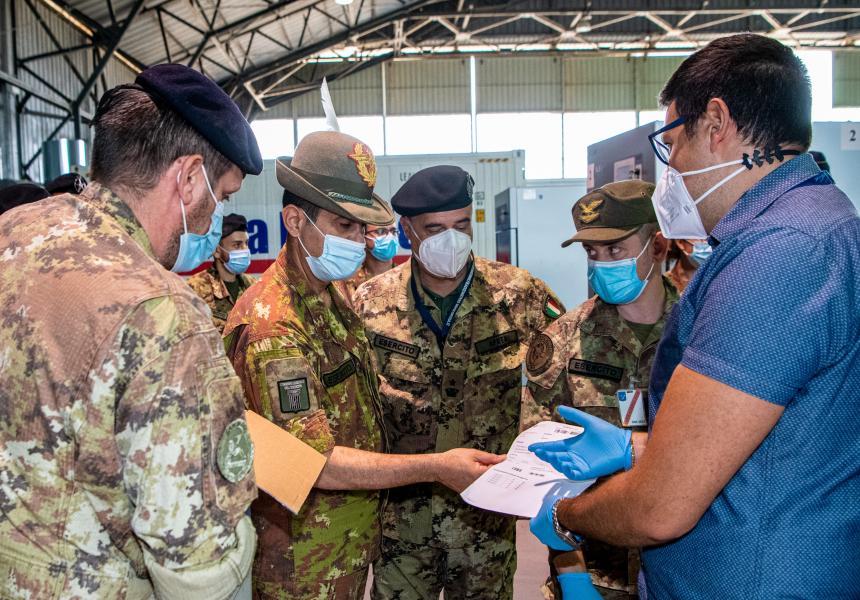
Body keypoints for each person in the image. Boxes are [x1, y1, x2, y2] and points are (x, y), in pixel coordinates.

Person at [528, 33, 859, 599]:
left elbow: (660, 509)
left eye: (671, 144)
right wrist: (637, 448)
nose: (672, 167)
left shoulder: (779, 252)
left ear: (716, 123)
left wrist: (567, 515)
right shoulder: (821, 224)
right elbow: (774, 436)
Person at [0, 64, 269, 599]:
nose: (219, 216)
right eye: (224, 194)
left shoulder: (12, 233)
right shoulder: (162, 311)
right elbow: (196, 565)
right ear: (189, 178)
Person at [223, 133, 502, 600]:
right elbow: (315, 462)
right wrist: (437, 467)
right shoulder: (275, 326)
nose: (357, 241)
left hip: (345, 543)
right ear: (295, 220)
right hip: (304, 560)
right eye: (343, 226)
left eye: (361, 228)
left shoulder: (329, 295)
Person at [353, 165, 566, 600]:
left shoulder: (518, 294)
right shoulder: (369, 304)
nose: (450, 239)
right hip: (402, 526)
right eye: (434, 228)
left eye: (461, 225)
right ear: (407, 230)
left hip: (486, 523)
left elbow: (567, 374)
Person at [524, 180, 678, 600]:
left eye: (616, 250)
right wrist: (571, 572)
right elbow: (543, 472)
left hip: (681, 570)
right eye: (592, 253)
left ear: (659, 246)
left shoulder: (700, 332)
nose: (602, 264)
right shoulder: (563, 342)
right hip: (595, 574)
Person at [188, 212, 256, 333]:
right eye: (237, 245)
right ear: (217, 251)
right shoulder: (195, 289)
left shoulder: (254, 287)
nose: (245, 250)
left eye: (246, 243)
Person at [342, 214, 399, 300]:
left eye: (393, 231)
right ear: (362, 236)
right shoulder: (349, 283)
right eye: (380, 232)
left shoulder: (409, 278)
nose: (390, 236)